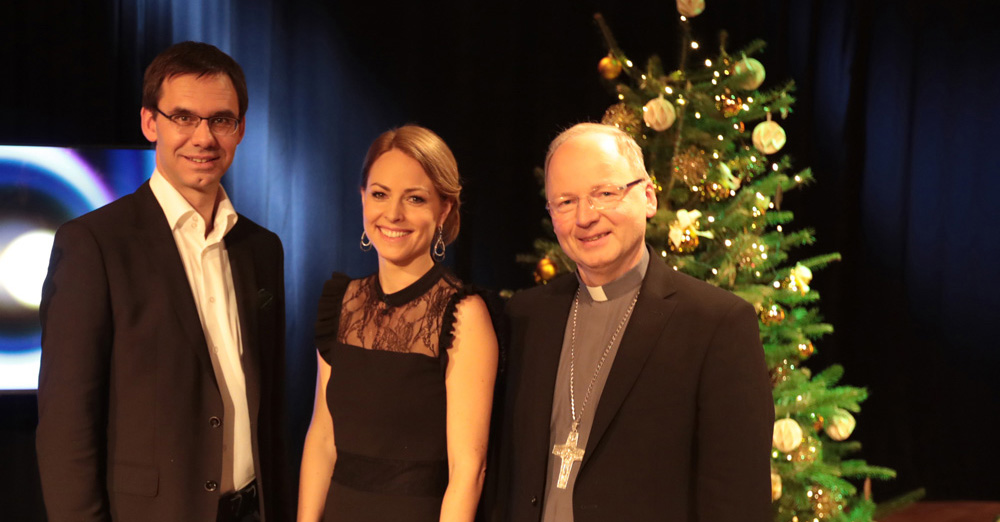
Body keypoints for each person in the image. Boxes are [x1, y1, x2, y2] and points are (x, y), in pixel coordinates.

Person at [36, 41, 287, 522]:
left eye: (221, 120)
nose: (203, 137)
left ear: (240, 130)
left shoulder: (262, 247)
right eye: (184, 117)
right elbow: (66, 425)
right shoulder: (94, 244)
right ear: (151, 123)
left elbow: (270, 405)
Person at [495, 123, 773, 521]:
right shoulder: (525, 315)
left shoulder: (717, 324)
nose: (585, 217)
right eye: (565, 202)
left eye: (604, 193)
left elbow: (737, 501)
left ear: (648, 197)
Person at [297, 125, 499, 522]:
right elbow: (322, 437)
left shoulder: (463, 314)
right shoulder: (341, 302)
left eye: (415, 198)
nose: (393, 214)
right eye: (380, 194)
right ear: (362, 198)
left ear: (444, 209)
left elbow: (468, 471)